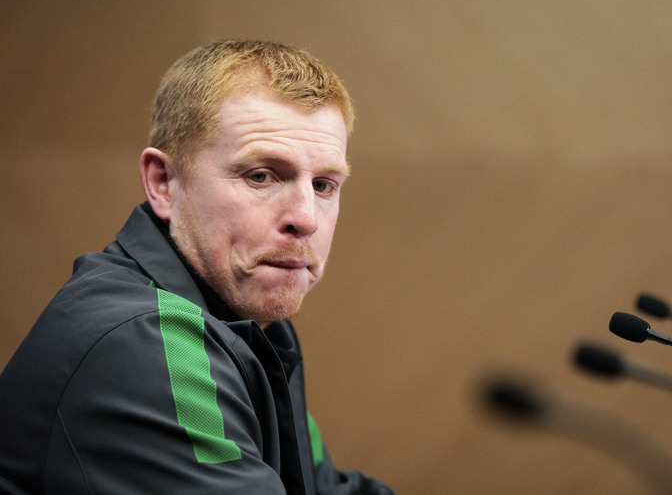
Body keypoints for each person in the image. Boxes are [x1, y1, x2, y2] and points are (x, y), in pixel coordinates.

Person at [0, 39, 393, 495]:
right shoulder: (146, 343)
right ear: (163, 183)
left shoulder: (255, 328)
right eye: (261, 175)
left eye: (324, 185)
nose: (305, 218)